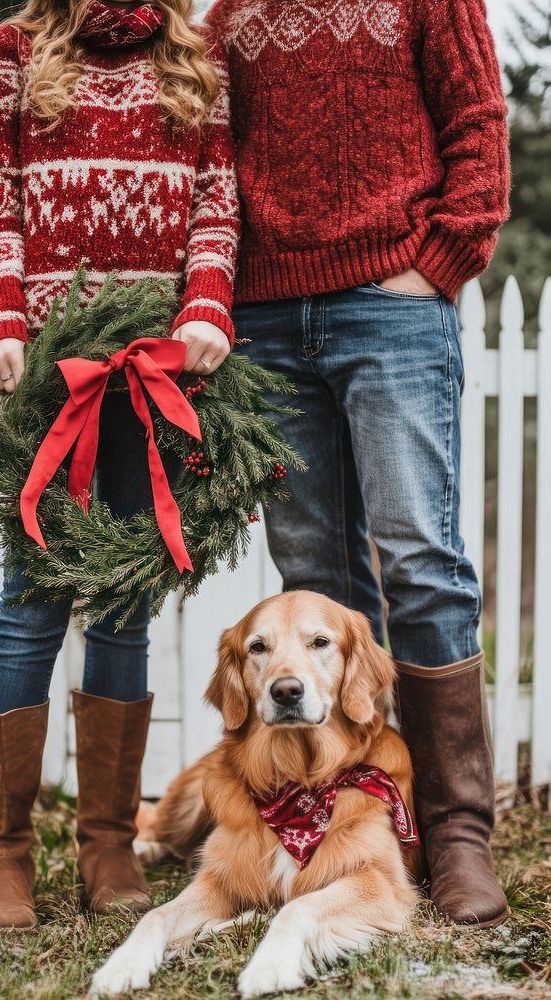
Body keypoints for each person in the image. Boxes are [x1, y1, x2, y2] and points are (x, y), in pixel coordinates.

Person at [205, 0, 510, 926]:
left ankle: (456, 833)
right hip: (264, 320)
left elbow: (477, 122)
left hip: (392, 305)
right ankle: (352, 822)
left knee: (420, 560)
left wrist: (438, 260)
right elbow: (211, 158)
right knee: (317, 584)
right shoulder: (229, 16)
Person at [0, 0, 238, 928]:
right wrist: (0, 315)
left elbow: (216, 205)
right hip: (55, 367)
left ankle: (109, 847)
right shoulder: (14, 48)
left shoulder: (192, 57)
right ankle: (4, 857)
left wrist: (205, 306)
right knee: (32, 605)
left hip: (156, 369)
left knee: (123, 605)